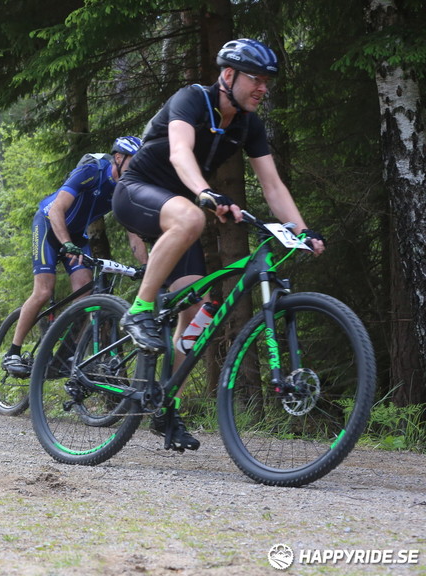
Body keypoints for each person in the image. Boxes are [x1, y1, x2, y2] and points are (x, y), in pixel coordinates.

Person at [111, 38, 326, 451]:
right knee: (191, 215)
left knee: (195, 312)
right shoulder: (191, 99)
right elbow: (179, 153)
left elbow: (273, 185)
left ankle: (163, 406)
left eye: (268, 82)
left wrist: (302, 230)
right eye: (256, 80)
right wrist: (206, 192)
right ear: (229, 75)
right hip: (139, 191)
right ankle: (138, 311)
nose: (263, 88)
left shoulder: (248, 124)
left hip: (180, 213)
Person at [2, 136, 147, 377]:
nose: (138, 167)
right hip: (49, 225)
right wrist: (66, 243)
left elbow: (134, 234)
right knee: (44, 291)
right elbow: (58, 209)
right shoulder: (92, 170)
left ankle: (68, 354)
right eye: (135, 161)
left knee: (85, 295)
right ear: (119, 158)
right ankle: (13, 352)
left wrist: (147, 267)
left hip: (77, 236)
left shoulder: (125, 188)